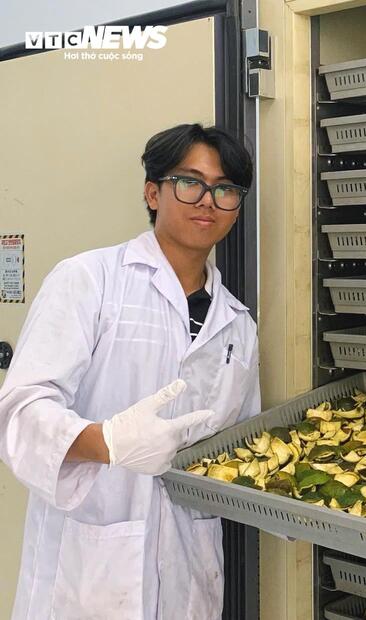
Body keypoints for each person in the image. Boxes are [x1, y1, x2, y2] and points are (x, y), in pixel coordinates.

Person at [0, 123, 260, 619]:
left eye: (225, 189)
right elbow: (18, 413)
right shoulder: (89, 281)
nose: (208, 201)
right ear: (152, 193)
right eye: (190, 182)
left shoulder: (237, 325)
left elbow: (240, 448)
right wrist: (108, 443)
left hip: (190, 567)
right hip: (89, 570)